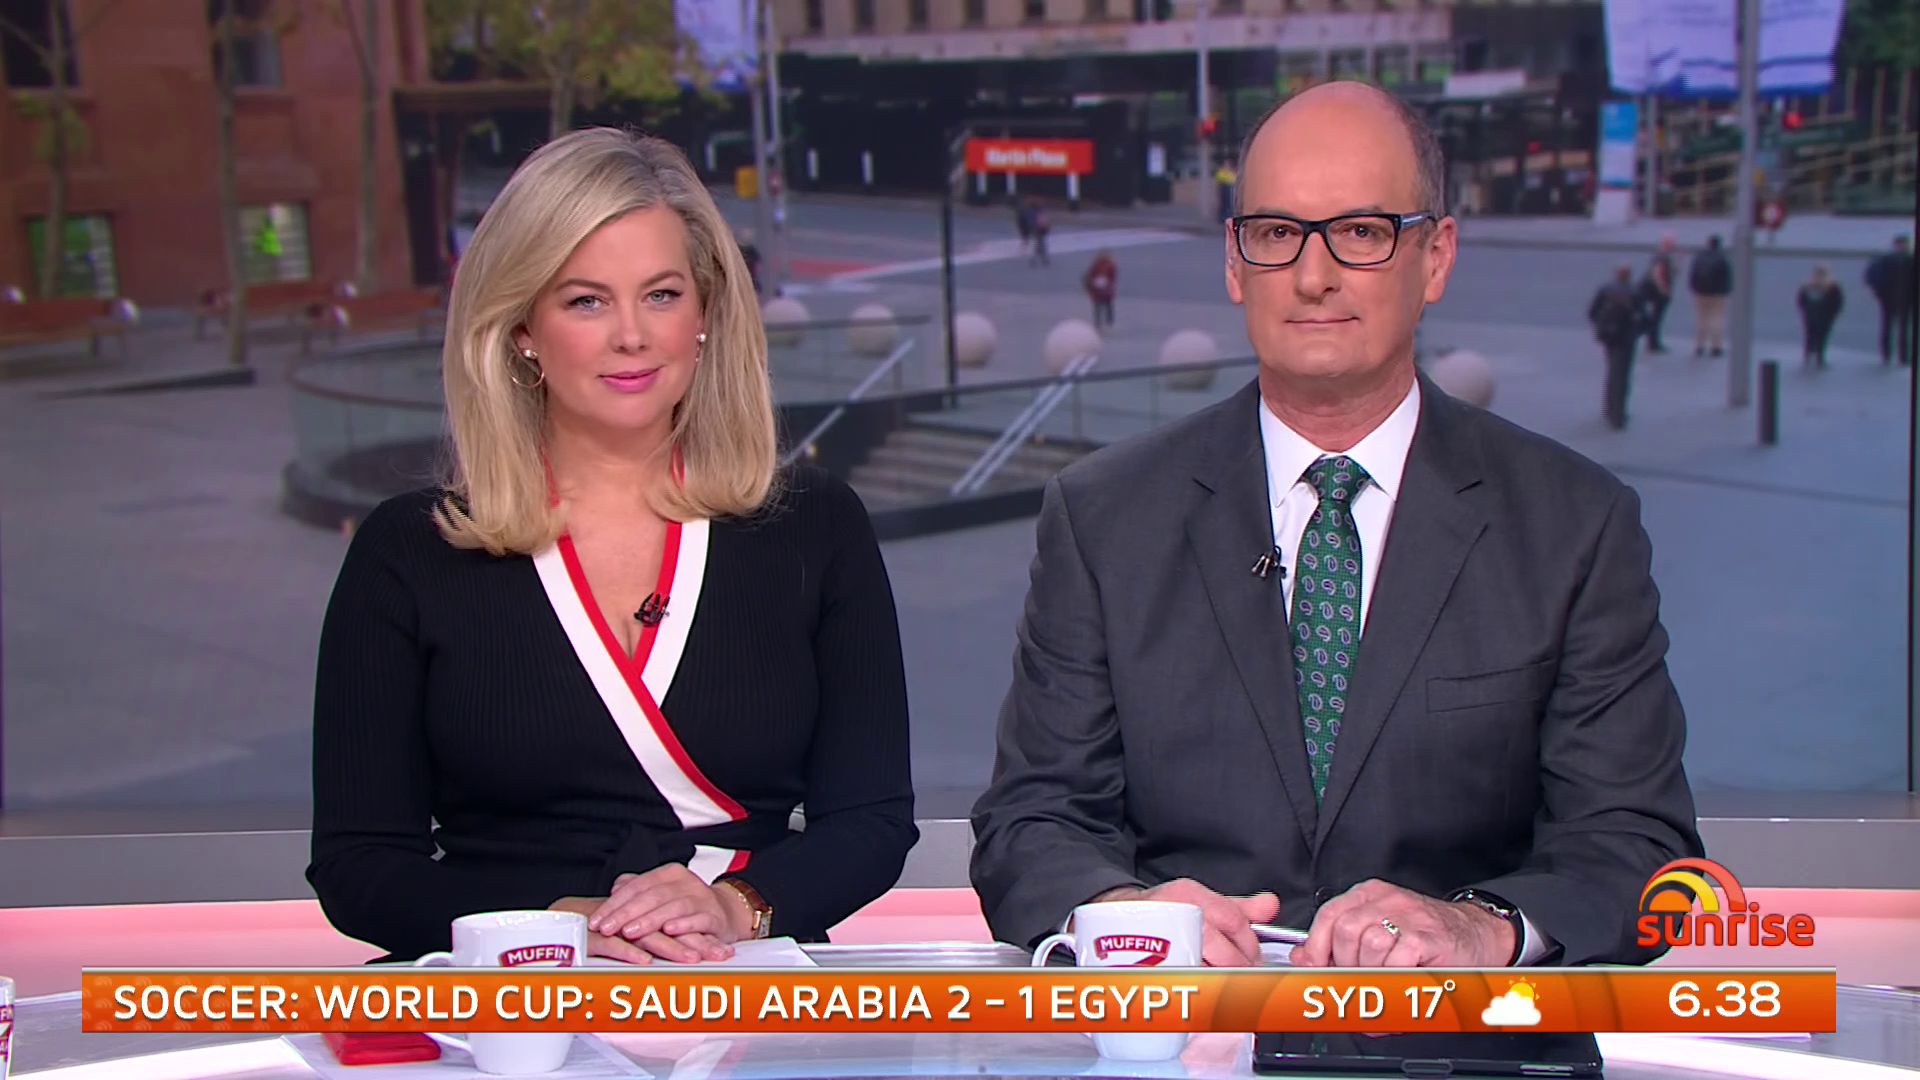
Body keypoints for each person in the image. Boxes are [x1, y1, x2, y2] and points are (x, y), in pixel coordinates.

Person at [970, 82, 1701, 971]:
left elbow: (1636, 844)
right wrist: (1127, 918)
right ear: (1235, 264)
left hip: (1464, 1035)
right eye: (1277, 233)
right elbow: (1031, 822)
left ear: (1436, 257)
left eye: (1360, 231)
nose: (1313, 276)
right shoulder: (1104, 518)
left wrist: (1480, 927)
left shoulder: (1573, 523)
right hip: (1191, 1029)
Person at [308, 128, 917, 964]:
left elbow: (871, 822)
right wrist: (562, 924)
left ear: (705, 314)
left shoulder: (814, 524)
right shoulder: (409, 552)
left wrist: (733, 906)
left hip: (741, 970)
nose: (632, 335)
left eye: (661, 295)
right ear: (521, 327)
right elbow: (360, 864)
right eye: (586, 301)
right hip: (510, 984)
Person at [1589, 264, 1645, 429]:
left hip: (1610, 337)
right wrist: (1638, 332)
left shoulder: (1606, 289)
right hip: (1627, 339)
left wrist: (1601, 327)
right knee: (1623, 376)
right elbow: (1643, 316)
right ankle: (1618, 415)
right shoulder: (1635, 291)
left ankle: (1609, 408)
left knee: (1612, 372)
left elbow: (1592, 312)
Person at [1865, 236, 1914, 367]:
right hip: (1895, 298)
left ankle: (1896, 356)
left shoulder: (1888, 259)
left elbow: (1871, 277)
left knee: (1898, 327)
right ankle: (1896, 356)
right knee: (1896, 327)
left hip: (1900, 298)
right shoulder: (1889, 260)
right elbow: (1872, 277)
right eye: (1902, 244)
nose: (1903, 247)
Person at [1687, 234, 1732, 358]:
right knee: (1717, 319)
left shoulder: (1699, 257)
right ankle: (1716, 346)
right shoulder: (1722, 259)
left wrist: (1694, 288)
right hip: (1718, 294)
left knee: (1701, 319)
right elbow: (1727, 277)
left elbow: (1693, 274)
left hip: (1700, 292)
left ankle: (1699, 346)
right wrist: (1726, 290)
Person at [1796, 265, 1845, 370]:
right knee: (1822, 336)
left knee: (1810, 334)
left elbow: (1801, 301)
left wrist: (1805, 312)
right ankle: (1819, 357)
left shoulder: (1807, 286)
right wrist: (1834, 314)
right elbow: (1837, 302)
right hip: (1825, 317)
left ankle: (1808, 355)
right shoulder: (1832, 287)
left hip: (1810, 316)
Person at [1637, 234, 1676, 354]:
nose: (1673, 245)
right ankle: (1652, 342)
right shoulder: (1662, 256)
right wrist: (1663, 289)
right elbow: (1657, 273)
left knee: (1654, 316)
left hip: (1650, 289)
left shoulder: (1664, 256)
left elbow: (1670, 272)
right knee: (1656, 317)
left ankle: (1652, 341)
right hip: (1654, 290)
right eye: (1671, 243)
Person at [1083, 249, 1118, 328]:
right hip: (1098, 288)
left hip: (1104, 288)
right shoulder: (1097, 265)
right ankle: (1100, 322)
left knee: (1106, 305)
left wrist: (1108, 284)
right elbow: (1091, 275)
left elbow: (1112, 277)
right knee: (1100, 306)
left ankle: (1107, 322)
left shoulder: (1109, 265)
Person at [1028, 199, 1051, 267]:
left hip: (1036, 230)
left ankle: (1035, 259)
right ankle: (1042, 259)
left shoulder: (1031, 211)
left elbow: (1031, 222)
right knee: (1041, 244)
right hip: (1041, 230)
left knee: (1038, 245)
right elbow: (1045, 220)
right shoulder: (1041, 211)